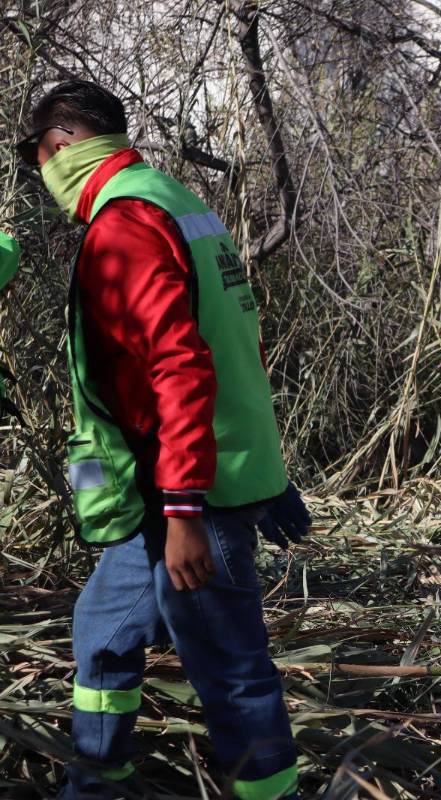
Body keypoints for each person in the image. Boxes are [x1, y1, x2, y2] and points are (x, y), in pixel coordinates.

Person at [15, 80, 311, 800]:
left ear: (62, 145)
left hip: (188, 492)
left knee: (228, 664)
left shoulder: (126, 224)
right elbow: (236, 340)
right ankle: (96, 781)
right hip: (163, 482)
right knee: (105, 633)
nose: (43, 174)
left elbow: (181, 366)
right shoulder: (174, 200)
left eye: (40, 157)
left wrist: (184, 512)